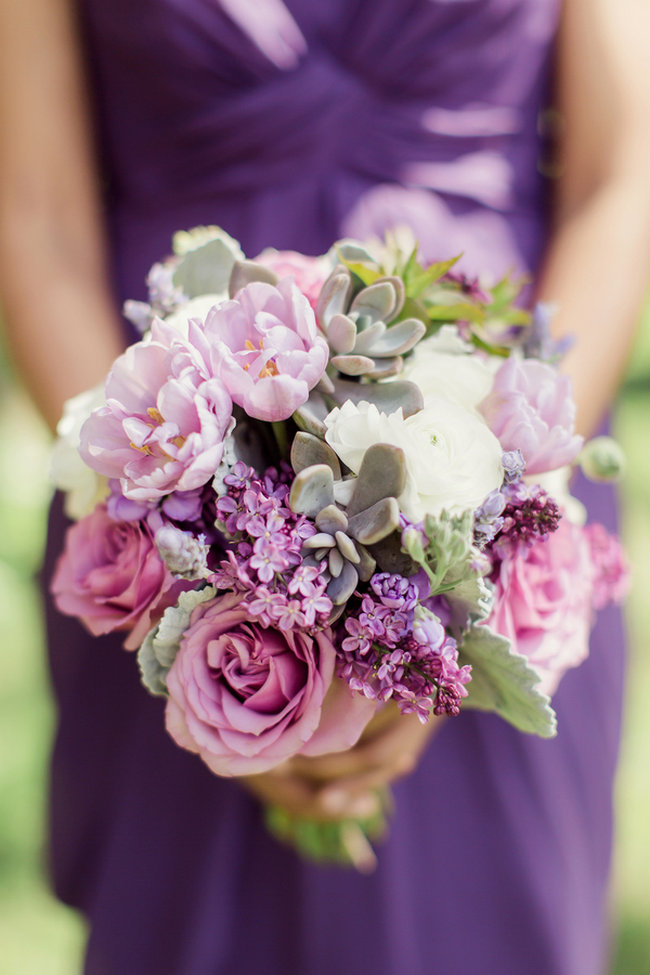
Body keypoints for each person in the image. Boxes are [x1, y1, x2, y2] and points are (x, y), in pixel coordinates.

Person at [0, 1, 648, 972]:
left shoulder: (496, 515)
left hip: (495, 490)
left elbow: (617, 176)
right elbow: (37, 216)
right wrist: (198, 582)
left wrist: (484, 527)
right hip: (161, 493)